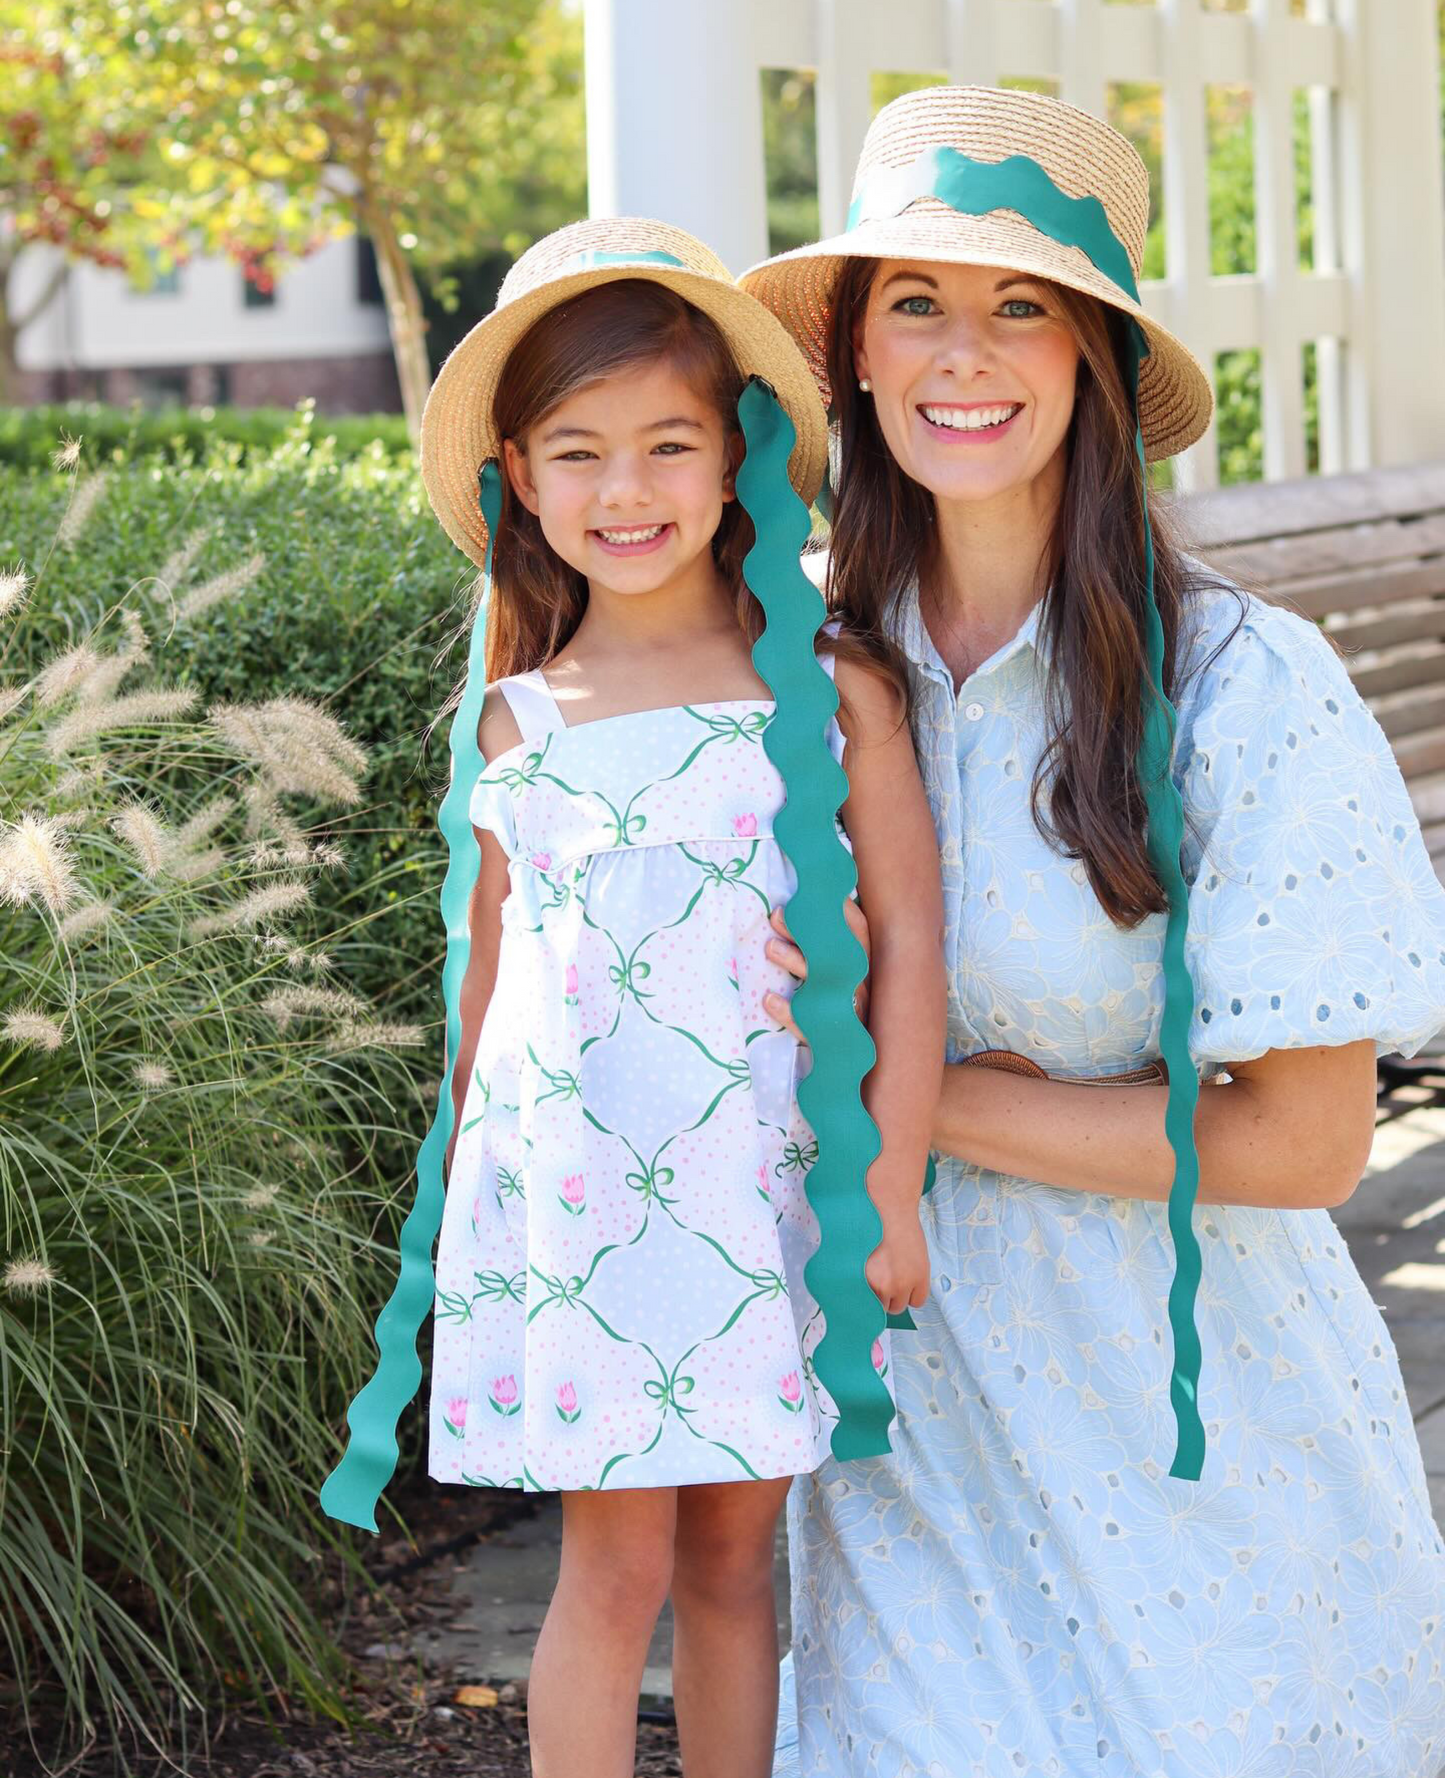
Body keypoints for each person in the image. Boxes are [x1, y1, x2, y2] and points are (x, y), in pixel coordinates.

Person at [741, 85, 1445, 1775]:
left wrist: (906, 1085)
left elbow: (1304, 1141)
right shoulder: (790, 687)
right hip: (901, 1443)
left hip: (1199, 1458)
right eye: (915, 301)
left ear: (1094, 362)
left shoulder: (1243, 688)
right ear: (853, 356)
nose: (960, 354)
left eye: (1020, 306)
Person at [321, 217, 945, 1778]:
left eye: (670, 444)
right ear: (520, 477)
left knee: (739, 1564)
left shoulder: (826, 692)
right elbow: (488, 973)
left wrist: (897, 1179)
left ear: (737, 454)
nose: (626, 489)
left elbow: (914, 947)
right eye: (580, 451)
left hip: (762, 1194)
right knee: (613, 1569)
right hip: (587, 1214)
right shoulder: (518, 720)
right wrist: (467, 1205)